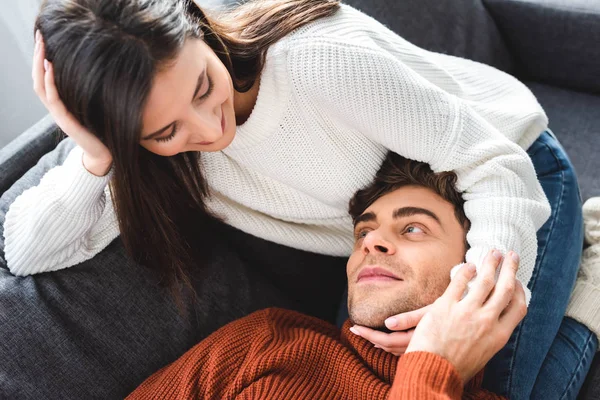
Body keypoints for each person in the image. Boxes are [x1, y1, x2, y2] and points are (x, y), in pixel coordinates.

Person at [2, 0, 596, 398]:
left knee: (497, 385)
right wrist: (96, 154)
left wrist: (463, 303)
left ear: (197, 24)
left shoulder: (316, 63)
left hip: (506, 174)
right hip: (397, 240)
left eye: (203, 87)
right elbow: (28, 253)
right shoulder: (164, 165)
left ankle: (588, 280)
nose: (206, 131)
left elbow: (489, 160)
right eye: (165, 132)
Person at [126, 153, 525, 399]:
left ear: (470, 263)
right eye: (363, 232)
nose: (372, 243)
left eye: (413, 229)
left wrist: (432, 367)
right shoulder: (262, 341)